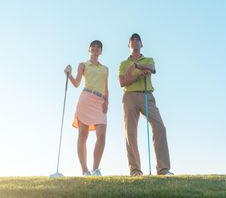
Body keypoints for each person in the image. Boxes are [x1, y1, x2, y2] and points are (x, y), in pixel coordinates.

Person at [118, 33, 173, 176]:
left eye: (138, 40)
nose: (135, 42)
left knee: (160, 127)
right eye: (132, 40)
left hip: (147, 96)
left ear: (141, 44)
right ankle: (135, 170)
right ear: (129, 45)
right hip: (129, 97)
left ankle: (163, 169)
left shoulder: (148, 59)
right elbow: (123, 82)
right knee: (130, 133)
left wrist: (136, 65)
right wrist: (138, 74)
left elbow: (152, 68)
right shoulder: (123, 64)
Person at [64, 40, 109, 176]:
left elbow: (106, 88)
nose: (95, 49)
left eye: (98, 47)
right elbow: (77, 83)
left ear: (101, 51)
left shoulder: (105, 69)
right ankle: (85, 170)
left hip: (100, 101)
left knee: (101, 136)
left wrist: (107, 102)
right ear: (89, 50)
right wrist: (69, 75)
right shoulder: (83, 65)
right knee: (83, 136)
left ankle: (96, 169)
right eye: (93, 47)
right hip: (86, 99)